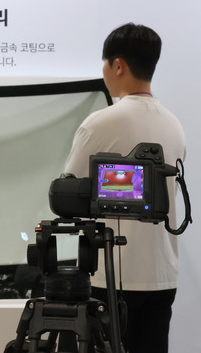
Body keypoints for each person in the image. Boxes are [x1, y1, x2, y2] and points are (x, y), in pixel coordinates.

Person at [63, 23, 186, 353]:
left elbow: (68, 194)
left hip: (112, 277)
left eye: (104, 64)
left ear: (117, 65)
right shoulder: (174, 125)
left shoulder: (101, 123)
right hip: (162, 275)